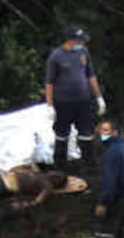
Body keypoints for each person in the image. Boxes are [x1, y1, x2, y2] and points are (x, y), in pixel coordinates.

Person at [45, 25, 107, 172]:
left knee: (86, 133)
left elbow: (91, 76)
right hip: (63, 101)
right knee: (62, 133)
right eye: (79, 40)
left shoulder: (84, 52)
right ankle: (60, 166)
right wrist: (50, 104)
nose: (81, 43)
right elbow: (49, 82)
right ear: (70, 41)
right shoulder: (56, 56)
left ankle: (89, 165)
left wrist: (99, 97)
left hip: (83, 100)